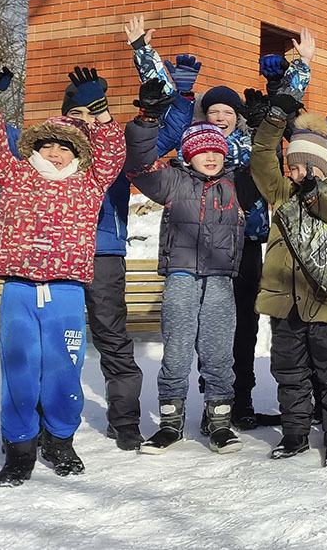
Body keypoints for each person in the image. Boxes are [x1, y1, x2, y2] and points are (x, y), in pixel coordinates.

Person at [126, 15, 314, 429]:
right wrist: (143, 50)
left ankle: (237, 403)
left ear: (238, 116)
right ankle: (202, 402)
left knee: (243, 328)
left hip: (244, 246)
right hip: (195, 249)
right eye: (214, 110)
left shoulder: (251, 141)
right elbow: (164, 100)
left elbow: (282, 115)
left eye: (228, 111)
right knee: (194, 333)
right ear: (204, 115)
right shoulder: (192, 142)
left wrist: (294, 72)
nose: (221, 117)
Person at [0, 42, 145, 449]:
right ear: (35, 148)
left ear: (77, 154)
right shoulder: (16, 174)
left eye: (65, 147)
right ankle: (19, 444)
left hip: (65, 288)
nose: (55, 152)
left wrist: (99, 110)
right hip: (19, 287)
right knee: (20, 367)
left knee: (65, 367)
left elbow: (114, 150)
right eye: (48, 144)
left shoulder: (90, 182)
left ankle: (61, 439)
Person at [126, 86, 256, 455]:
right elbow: (136, 166)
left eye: (217, 150)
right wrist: (147, 121)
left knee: (218, 353)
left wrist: (265, 123)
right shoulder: (172, 182)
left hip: (219, 280)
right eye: (202, 151)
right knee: (177, 351)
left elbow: (264, 165)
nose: (211, 157)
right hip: (181, 277)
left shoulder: (236, 186)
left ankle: (219, 423)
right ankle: (170, 424)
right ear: (188, 155)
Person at [251, 97, 327, 469]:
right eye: (294, 165)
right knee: (290, 371)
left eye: (306, 166)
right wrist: (274, 121)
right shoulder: (283, 193)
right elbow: (260, 159)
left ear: (321, 166)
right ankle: (295, 433)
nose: (298, 172)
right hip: (284, 301)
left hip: (326, 299)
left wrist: (319, 195)